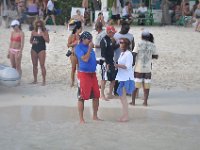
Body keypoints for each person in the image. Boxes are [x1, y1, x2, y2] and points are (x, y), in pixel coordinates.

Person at [75, 31, 101, 124]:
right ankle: (81, 119)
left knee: (96, 95)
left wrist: (98, 62)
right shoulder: (78, 48)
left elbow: (91, 59)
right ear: (83, 39)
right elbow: (85, 59)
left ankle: (95, 116)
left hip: (92, 74)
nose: (90, 41)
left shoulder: (91, 49)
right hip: (83, 74)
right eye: (89, 39)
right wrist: (90, 49)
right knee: (82, 97)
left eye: (91, 39)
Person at [130, 30, 158, 106]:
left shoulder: (139, 44)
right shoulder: (152, 45)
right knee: (146, 86)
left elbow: (134, 54)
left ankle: (133, 102)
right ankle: (145, 102)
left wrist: (132, 64)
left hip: (139, 68)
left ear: (142, 36)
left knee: (136, 86)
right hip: (148, 69)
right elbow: (156, 56)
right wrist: (149, 55)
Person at [114, 38, 135, 122]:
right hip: (121, 77)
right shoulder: (122, 53)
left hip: (127, 78)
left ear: (126, 45)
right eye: (120, 43)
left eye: (123, 43)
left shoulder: (128, 54)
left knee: (123, 98)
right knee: (122, 98)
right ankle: (125, 114)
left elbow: (128, 66)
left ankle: (126, 116)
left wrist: (117, 65)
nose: (121, 45)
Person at [113, 22, 135, 95]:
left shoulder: (131, 36)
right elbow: (112, 46)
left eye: (128, 29)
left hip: (127, 58)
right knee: (117, 75)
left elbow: (133, 47)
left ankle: (128, 91)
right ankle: (116, 91)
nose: (126, 30)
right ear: (121, 27)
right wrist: (119, 44)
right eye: (125, 29)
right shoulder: (116, 36)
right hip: (117, 57)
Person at [100, 26, 118, 100]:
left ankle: (110, 93)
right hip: (106, 62)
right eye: (113, 32)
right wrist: (106, 63)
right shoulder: (103, 40)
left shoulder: (110, 40)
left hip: (111, 61)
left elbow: (111, 49)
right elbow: (103, 53)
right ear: (109, 32)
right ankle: (102, 95)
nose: (114, 34)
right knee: (104, 79)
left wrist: (118, 45)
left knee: (113, 79)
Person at [30, 20, 49, 85]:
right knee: (34, 65)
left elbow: (48, 41)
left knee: (42, 65)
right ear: (35, 25)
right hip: (34, 49)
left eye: (40, 25)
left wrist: (43, 35)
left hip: (42, 49)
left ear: (42, 25)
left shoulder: (45, 31)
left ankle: (44, 81)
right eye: (37, 25)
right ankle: (35, 80)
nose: (39, 26)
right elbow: (30, 41)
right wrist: (33, 42)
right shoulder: (33, 32)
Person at [67, 22, 82, 87]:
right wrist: (74, 43)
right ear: (77, 29)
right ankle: (72, 82)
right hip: (73, 54)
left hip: (80, 54)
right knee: (73, 68)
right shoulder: (72, 36)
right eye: (80, 29)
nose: (81, 30)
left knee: (80, 69)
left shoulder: (81, 37)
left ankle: (79, 82)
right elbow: (68, 45)